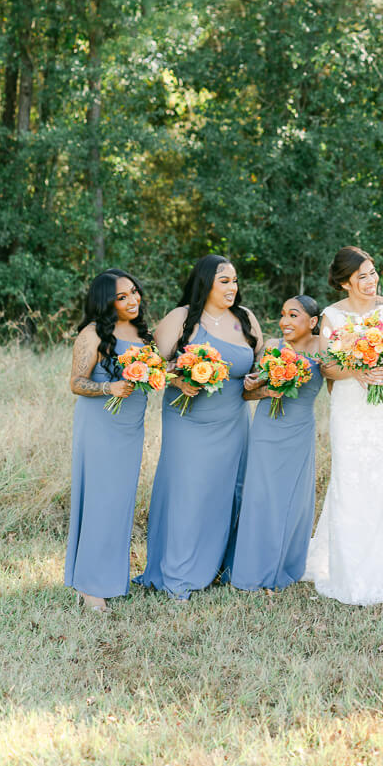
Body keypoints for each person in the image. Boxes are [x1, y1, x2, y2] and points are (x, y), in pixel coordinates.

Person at [139, 255, 262, 600]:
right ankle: (178, 574)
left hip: (233, 423)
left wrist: (258, 377)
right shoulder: (182, 318)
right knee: (188, 493)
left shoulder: (245, 319)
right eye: (224, 281)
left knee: (229, 492)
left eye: (235, 281)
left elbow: (260, 362)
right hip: (188, 421)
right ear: (205, 282)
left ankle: (221, 567)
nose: (232, 287)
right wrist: (177, 382)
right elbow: (151, 366)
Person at [304, 247, 383, 605]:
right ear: (344, 281)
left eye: (373, 272)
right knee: (349, 480)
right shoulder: (331, 317)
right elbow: (329, 368)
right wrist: (358, 371)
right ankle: (347, 570)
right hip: (349, 407)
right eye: (362, 275)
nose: (371, 280)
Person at [65, 269, 152, 612]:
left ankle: (109, 577)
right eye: (122, 296)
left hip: (130, 428)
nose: (132, 300)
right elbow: (76, 382)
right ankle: (89, 586)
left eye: (134, 292)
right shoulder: (92, 334)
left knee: (119, 503)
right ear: (106, 301)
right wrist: (108, 387)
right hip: (101, 425)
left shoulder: (142, 334)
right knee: (100, 501)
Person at [231, 296, 323, 593]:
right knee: (261, 496)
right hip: (267, 429)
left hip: (300, 431)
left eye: (293, 315)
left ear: (313, 322)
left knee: (292, 499)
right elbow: (249, 394)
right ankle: (254, 569)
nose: (284, 321)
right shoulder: (272, 346)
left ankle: (285, 566)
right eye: (282, 314)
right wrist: (260, 387)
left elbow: (337, 380)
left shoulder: (323, 348)